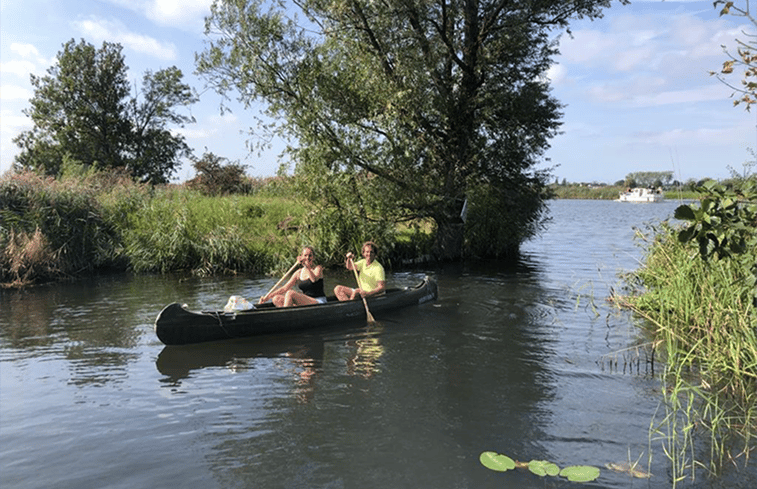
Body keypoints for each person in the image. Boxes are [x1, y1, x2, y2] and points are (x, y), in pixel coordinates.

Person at [260, 246, 327, 307]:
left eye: (310, 255)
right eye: (305, 255)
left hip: (319, 301)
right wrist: (268, 297)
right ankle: (289, 315)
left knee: (290, 293)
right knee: (276, 298)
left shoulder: (318, 268)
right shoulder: (298, 273)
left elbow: (314, 280)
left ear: (313, 257)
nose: (307, 258)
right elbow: (284, 288)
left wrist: (307, 266)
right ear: (301, 257)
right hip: (306, 303)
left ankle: (286, 315)